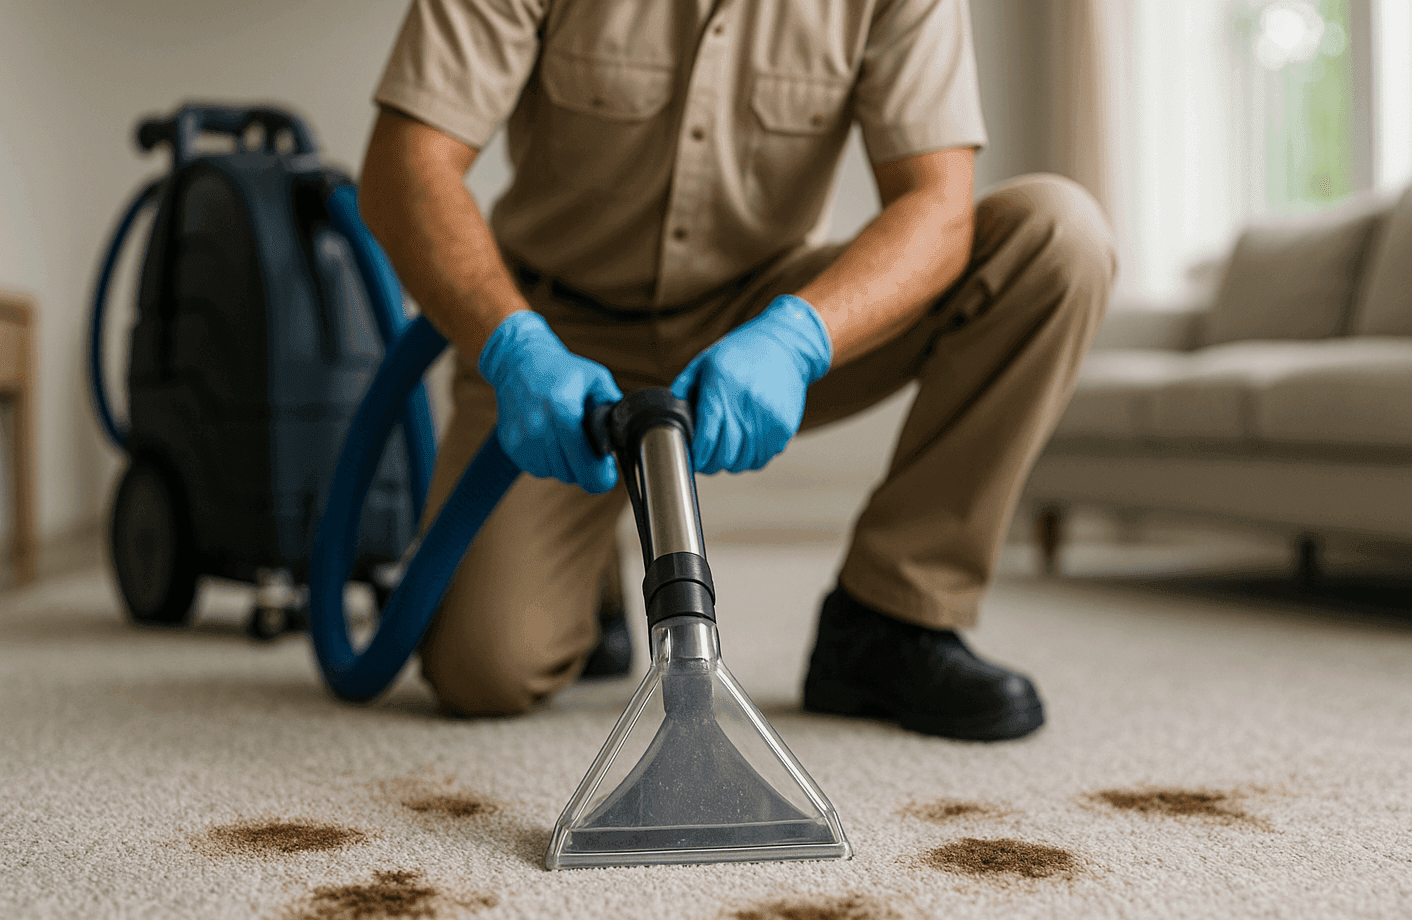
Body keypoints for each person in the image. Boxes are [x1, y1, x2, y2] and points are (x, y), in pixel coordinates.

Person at [358, 0, 1115, 741]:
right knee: (480, 672)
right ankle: (589, 579)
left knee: (1057, 238)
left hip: (757, 323)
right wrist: (512, 346)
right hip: (559, 343)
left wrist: (796, 339)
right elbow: (405, 165)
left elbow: (937, 204)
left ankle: (893, 612)